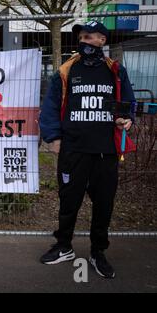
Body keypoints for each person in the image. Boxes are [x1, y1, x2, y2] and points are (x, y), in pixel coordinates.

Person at [39, 21, 136, 278]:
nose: (84, 41)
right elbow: (50, 107)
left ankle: (97, 252)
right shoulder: (66, 70)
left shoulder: (115, 70)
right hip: (73, 150)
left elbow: (128, 103)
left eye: (90, 36)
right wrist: (54, 138)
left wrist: (127, 118)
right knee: (69, 201)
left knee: (103, 204)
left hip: (106, 151)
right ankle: (64, 246)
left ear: (102, 41)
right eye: (81, 36)